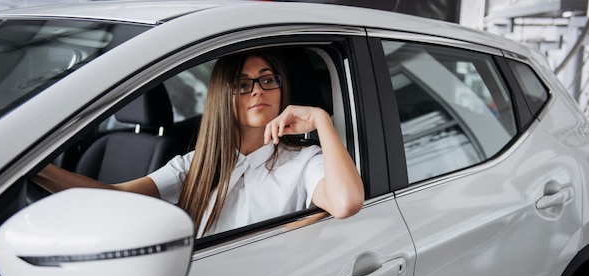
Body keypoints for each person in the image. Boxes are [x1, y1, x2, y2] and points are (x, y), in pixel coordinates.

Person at [34, 51, 364, 237]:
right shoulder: (198, 164)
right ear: (224, 97)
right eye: (243, 84)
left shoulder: (304, 162)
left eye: (267, 80)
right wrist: (32, 167)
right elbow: (114, 198)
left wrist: (322, 120)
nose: (258, 91)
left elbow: (346, 202)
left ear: (281, 89)